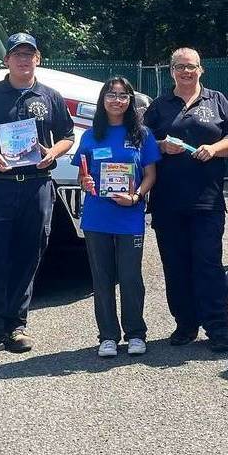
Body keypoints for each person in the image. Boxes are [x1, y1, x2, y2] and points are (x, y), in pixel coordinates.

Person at [0, 33, 75, 362]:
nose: (24, 59)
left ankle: (15, 327)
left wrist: (53, 152)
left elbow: (67, 135)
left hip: (36, 187)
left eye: (30, 54)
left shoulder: (50, 96)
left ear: (38, 58)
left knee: (27, 256)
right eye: (17, 54)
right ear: (6, 60)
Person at [144, 48, 228, 352]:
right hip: (168, 203)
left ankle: (217, 327)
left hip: (207, 201)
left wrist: (214, 149)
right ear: (171, 71)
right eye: (180, 67)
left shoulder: (217, 101)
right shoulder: (159, 106)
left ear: (201, 69)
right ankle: (185, 325)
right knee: (175, 266)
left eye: (191, 67)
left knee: (208, 264)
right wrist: (160, 145)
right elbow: (140, 144)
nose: (186, 72)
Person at [75, 77, 161, 358]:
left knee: (131, 277)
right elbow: (82, 175)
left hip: (129, 216)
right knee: (102, 278)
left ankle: (135, 333)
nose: (117, 100)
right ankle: (108, 336)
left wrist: (136, 197)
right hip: (97, 217)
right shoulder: (90, 136)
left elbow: (150, 175)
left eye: (123, 96)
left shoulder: (142, 134)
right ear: (102, 100)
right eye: (111, 95)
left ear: (130, 101)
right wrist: (85, 182)